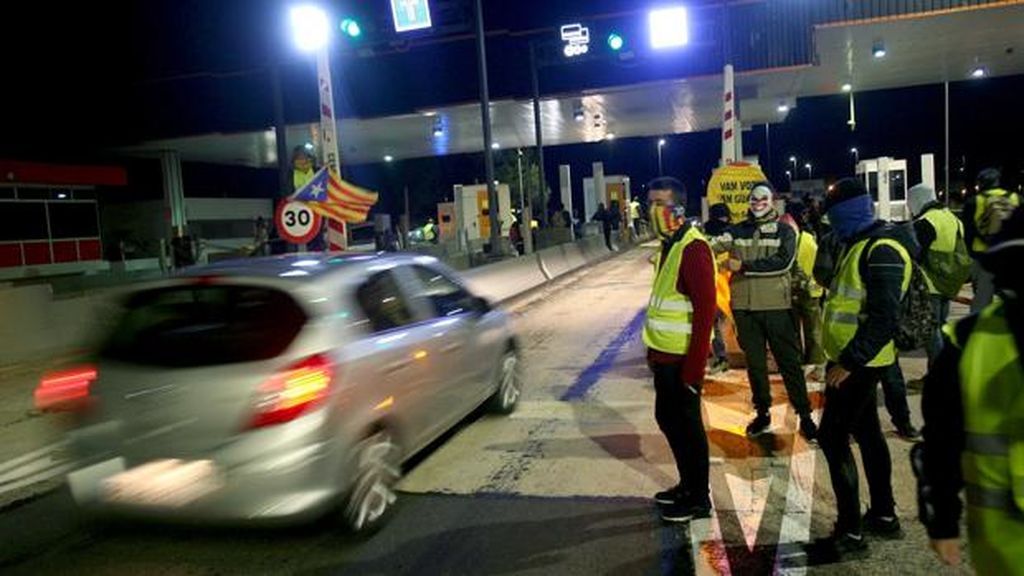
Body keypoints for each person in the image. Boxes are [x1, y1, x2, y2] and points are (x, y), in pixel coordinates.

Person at [915, 207, 1024, 573]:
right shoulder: (969, 340)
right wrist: (942, 518)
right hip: (1005, 550)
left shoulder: (969, 340)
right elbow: (941, 439)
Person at [817, 178, 912, 559]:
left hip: (860, 362)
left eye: (835, 215)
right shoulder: (857, 242)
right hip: (852, 359)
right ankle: (885, 515)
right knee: (869, 434)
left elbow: (885, 316)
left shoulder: (883, 246)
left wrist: (849, 362)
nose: (831, 223)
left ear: (852, 210)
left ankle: (850, 531)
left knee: (832, 437)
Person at [710, 182, 817, 440]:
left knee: (789, 364)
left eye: (763, 198)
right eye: (754, 198)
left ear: (772, 201)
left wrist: (742, 266)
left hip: (777, 308)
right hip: (745, 310)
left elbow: (783, 263)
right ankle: (762, 413)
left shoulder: (784, 231)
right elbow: (709, 245)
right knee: (755, 367)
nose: (758, 202)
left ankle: (805, 416)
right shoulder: (736, 231)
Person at [643, 176, 718, 523]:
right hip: (663, 358)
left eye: (660, 203)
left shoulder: (693, 247)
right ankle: (687, 485)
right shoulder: (668, 246)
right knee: (667, 419)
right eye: (650, 204)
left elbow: (705, 313)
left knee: (688, 427)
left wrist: (694, 370)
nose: (653, 210)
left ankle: (699, 498)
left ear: (677, 207)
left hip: (682, 362)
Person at [909, 183, 970, 365]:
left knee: (931, 331)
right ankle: (947, 369)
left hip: (931, 283)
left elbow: (916, 253)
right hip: (949, 281)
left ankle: (937, 375)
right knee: (941, 326)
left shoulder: (926, 221)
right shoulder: (952, 218)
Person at [963, 168, 1019, 312]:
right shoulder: (1016, 198)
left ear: (980, 183)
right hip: (1011, 256)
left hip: (983, 258)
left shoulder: (974, 201)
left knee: (982, 300)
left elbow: (968, 233)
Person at [785, 202, 826, 381]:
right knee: (811, 330)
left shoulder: (805, 242)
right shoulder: (809, 239)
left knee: (809, 331)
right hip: (807, 291)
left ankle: (811, 364)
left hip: (805, 292)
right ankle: (813, 365)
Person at [704, 203, 732, 374]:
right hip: (733, 286)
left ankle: (721, 357)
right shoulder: (733, 235)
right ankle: (755, 355)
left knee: (714, 325)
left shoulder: (705, 236)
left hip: (713, 287)